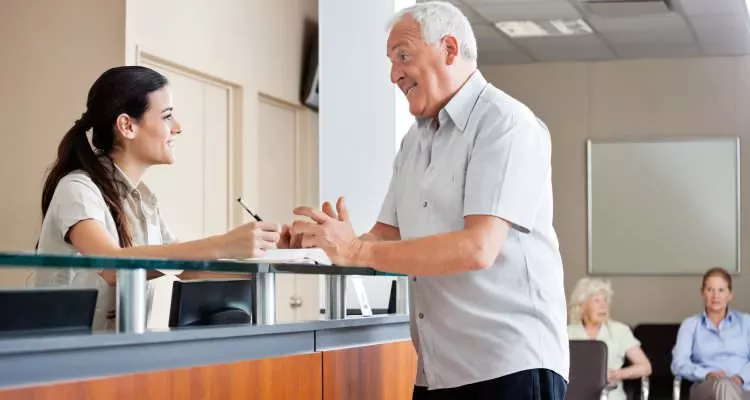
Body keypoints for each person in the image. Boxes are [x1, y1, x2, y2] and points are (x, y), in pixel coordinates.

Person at [288, 2, 568, 399]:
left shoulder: (506, 124)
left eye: (403, 56)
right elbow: (385, 237)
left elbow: (477, 248)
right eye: (390, 61)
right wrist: (325, 242)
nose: (393, 74)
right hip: (438, 369)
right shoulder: (415, 141)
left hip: (508, 364)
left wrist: (355, 249)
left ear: (450, 50)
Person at [33, 66, 284, 331]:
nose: (178, 128)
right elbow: (113, 267)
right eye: (167, 117)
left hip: (115, 355)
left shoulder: (144, 201)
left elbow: (189, 270)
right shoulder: (77, 188)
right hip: (62, 358)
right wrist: (223, 244)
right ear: (127, 126)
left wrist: (272, 253)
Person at [672, 267, 750, 400]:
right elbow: (679, 363)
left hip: (744, 388)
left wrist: (741, 377)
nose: (715, 296)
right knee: (723, 385)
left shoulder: (746, 322)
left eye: (721, 290)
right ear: (702, 293)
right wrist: (706, 374)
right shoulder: (690, 325)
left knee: (727, 387)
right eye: (710, 290)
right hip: (706, 388)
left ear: (730, 294)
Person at [567, 277, 651, 400]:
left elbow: (645, 367)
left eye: (605, 300)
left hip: (611, 396)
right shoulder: (567, 332)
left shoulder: (619, 330)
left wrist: (616, 374)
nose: (603, 306)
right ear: (582, 305)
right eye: (596, 300)